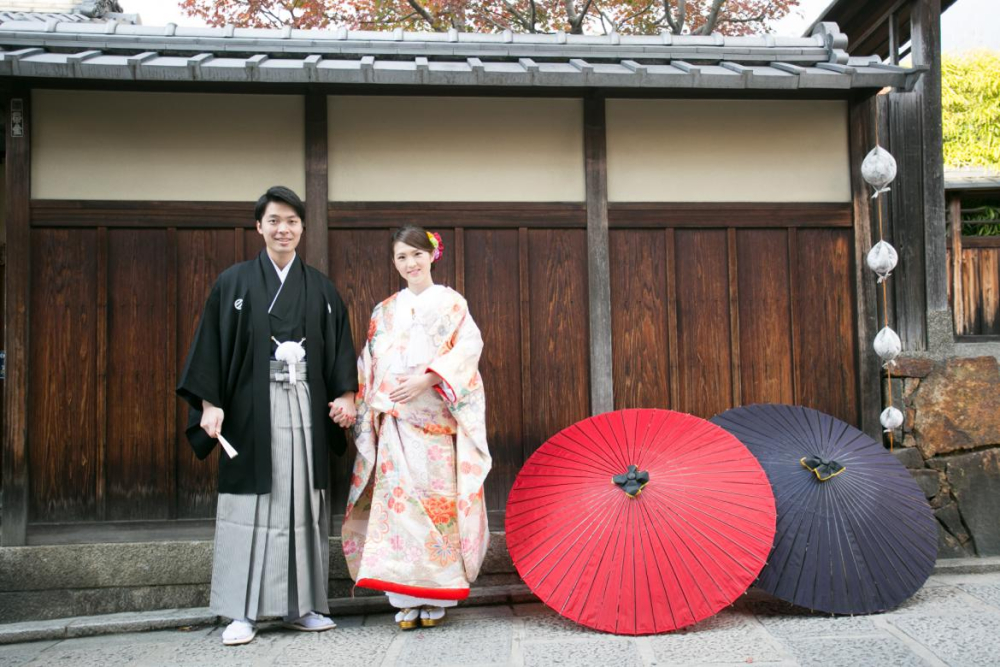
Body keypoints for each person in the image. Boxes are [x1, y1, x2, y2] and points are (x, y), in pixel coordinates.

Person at [177, 186, 358, 646]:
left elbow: (339, 349)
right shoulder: (233, 283)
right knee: (250, 507)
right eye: (274, 220)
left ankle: (302, 606)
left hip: (305, 407)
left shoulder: (320, 288)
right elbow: (212, 346)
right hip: (249, 410)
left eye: (292, 221)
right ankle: (243, 612)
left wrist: (346, 395)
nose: (283, 229)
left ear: (302, 228)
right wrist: (210, 403)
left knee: (301, 501)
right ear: (259, 227)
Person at [342, 226, 491, 630]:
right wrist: (360, 402)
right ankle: (403, 596)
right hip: (395, 422)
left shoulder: (451, 303)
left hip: (437, 423)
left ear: (432, 255)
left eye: (416, 255)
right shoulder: (384, 309)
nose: (410, 263)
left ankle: (435, 593)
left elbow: (468, 349)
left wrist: (428, 378)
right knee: (399, 511)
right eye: (401, 257)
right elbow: (368, 363)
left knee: (435, 508)